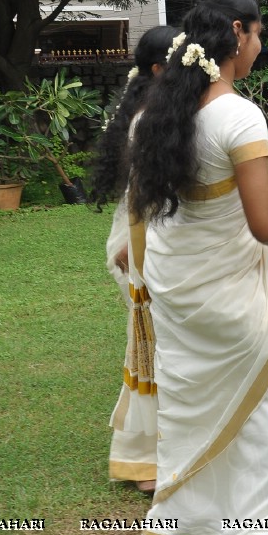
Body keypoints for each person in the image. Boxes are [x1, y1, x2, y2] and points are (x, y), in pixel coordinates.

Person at [128, 0, 268, 535]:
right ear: (238, 33)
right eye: (260, 34)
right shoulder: (240, 117)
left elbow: (149, 213)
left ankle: (181, 520)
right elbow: (266, 226)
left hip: (177, 283)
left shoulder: (155, 115)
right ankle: (266, 534)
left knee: (198, 398)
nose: (261, 47)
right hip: (228, 287)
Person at [90, 24, 177, 493]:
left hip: (148, 234)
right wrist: (135, 242)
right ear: (161, 67)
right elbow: (142, 190)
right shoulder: (150, 114)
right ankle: (147, 456)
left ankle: (150, 451)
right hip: (137, 239)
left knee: (158, 343)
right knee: (153, 344)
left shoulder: (160, 108)